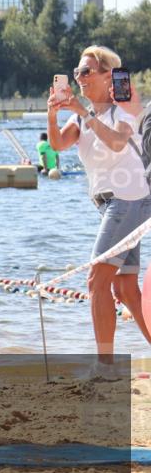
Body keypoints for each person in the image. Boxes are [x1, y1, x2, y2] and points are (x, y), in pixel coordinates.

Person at [46, 45, 151, 375]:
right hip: (112, 203)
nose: (79, 78)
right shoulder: (79, 117)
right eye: (77, 72)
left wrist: (85, 112)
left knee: (96, 280)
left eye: (87, 72)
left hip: (127, 199)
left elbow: (118, 143)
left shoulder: (123, 111)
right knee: (125, 290)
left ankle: (105, 366)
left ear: (109, 76)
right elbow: (58, 145)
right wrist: (52, 113)